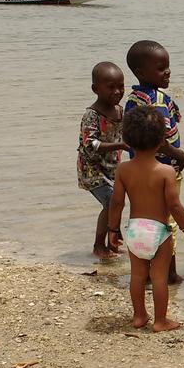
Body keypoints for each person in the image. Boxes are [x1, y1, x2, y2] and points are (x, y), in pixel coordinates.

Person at [108, 106, 184, 333]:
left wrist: (113, 230)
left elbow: (117, 203)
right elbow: (174, 205)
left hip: (134, 230)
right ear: (162, 140)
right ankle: (160, 320)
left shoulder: (123, 170)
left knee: (137, 275)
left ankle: (139, 315)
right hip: (159, 232)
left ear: (127, 140)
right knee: (159, 277)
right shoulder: (166, 172)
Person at [122, 40, 184, 284]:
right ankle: (168, 273)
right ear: (141, 72)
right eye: (161, 68)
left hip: (140, 168)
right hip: (163, 169)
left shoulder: (134, 98)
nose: (167, 72)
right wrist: (180, 155)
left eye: (167, 66)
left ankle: (145, 269)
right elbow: (161, 138)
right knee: (167, 218)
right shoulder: (157, 100)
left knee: (145, 217)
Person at [77, 61, 128, 258]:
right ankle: (99, 245)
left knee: (118, 202)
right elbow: (90, 144)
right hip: (92, 169)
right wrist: (121, 145)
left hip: (113, 169)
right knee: (111, 202)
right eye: (111, 87)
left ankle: (112, 243)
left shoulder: (120, 111)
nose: (117, 91)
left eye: (121, 86)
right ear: (95, 89)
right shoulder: (92, 115)